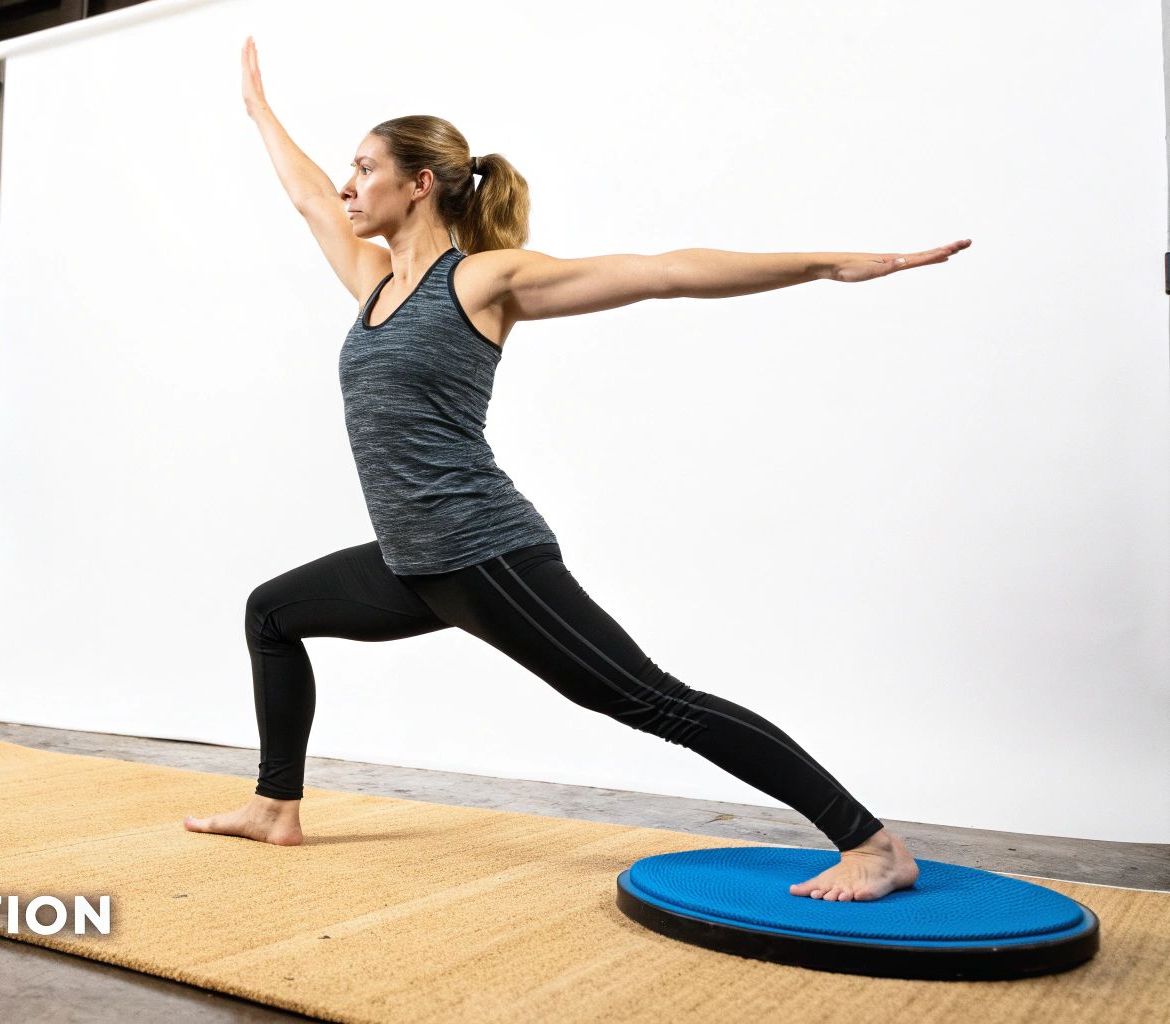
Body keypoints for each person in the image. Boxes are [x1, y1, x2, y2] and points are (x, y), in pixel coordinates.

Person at [185, 36, 970, 903]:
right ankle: (275, 807)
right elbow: (308, 199)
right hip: (414, 564)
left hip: (483, 554)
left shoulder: (481, 281)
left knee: (653, 700)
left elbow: (662, 273)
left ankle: (871, 843)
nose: (346, 184)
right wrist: (259, 110)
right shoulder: (373, 282)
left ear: (420, 184)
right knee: (272, 613)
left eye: (365, 168)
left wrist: (826, 264)